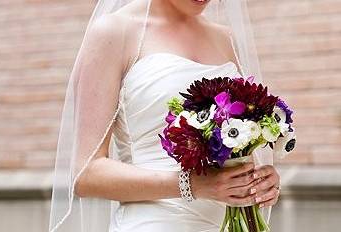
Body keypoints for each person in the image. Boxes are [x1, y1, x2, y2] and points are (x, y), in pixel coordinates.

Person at [49, 0, 280, 231]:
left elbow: (239, 145)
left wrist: (259, 182)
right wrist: (193, 184)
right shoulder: (114, 31)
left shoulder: (226, 38)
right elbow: (86, 174)